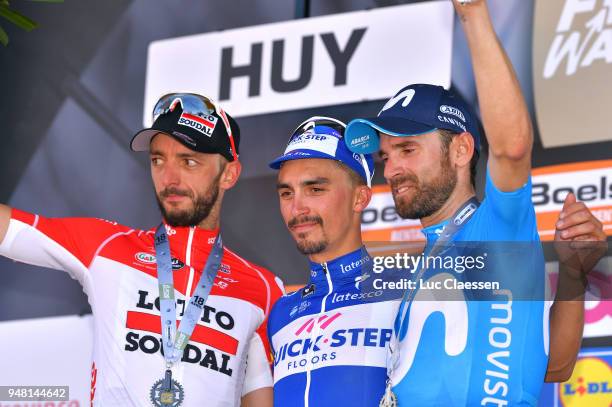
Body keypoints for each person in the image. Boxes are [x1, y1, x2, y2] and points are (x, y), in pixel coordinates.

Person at [343, 0, 607, 405]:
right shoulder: (426, 259)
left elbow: (513, 149)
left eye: (407, 149)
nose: (391, 168)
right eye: (386, 156)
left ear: (461, 150)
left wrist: (472, 14)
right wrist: (572, 278)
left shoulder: (495, 229)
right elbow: (553, 366)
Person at [267, 116, 605, 406]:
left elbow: (554, 364)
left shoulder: (412, 284)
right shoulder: (277, 312)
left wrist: (573, 273)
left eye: (316, 189)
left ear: (361, 197)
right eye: (286, 193)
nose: (298, 207)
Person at [0, 93, 283, 407]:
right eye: (158, 160)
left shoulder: (264, 288)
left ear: (229, 174)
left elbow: (260, 397)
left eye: (189, 161)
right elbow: (9, 229)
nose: (169, 178)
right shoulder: (107, 246)